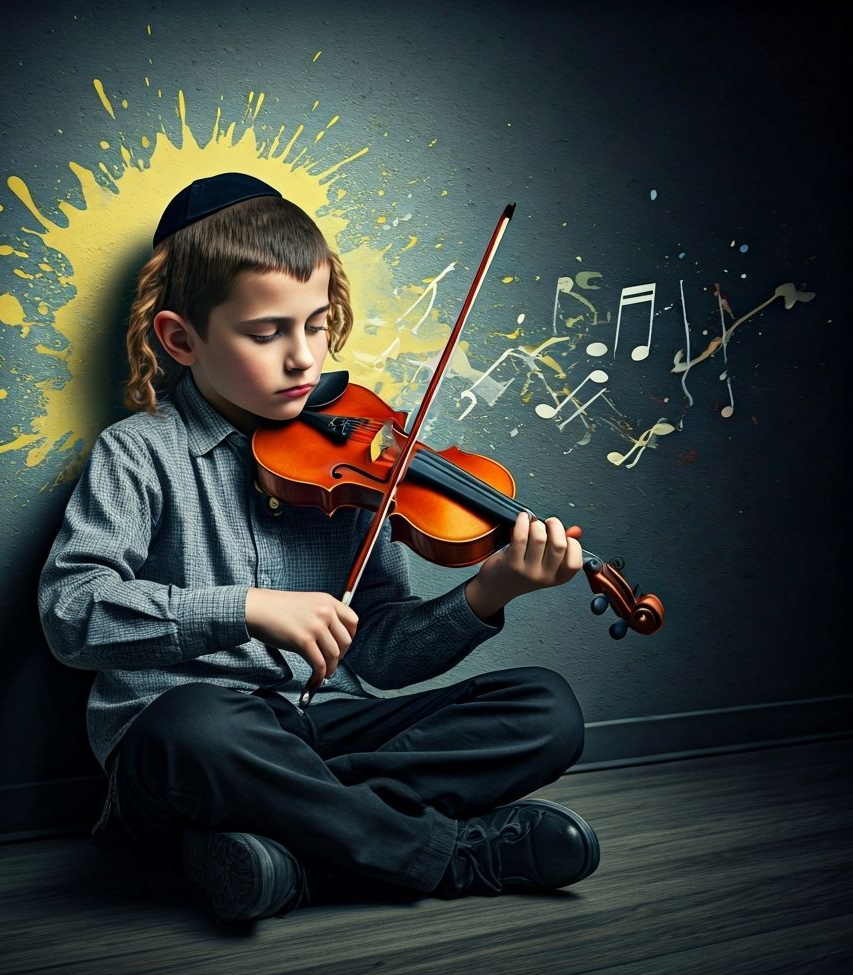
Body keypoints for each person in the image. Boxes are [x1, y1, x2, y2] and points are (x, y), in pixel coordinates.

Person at [37, 171, 600, 923]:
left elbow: (379, 656)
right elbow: (72, 614)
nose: (304, 357)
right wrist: (245, 609)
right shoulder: (138, 454)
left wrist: (489, 591)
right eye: (267, 333)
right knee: (194, 727)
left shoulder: (354, 456)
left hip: (323, 734)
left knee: (545, 709)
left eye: (316, 323)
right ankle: (456, 857)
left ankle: (291, 857)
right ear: (180, 338)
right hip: (194, 746)